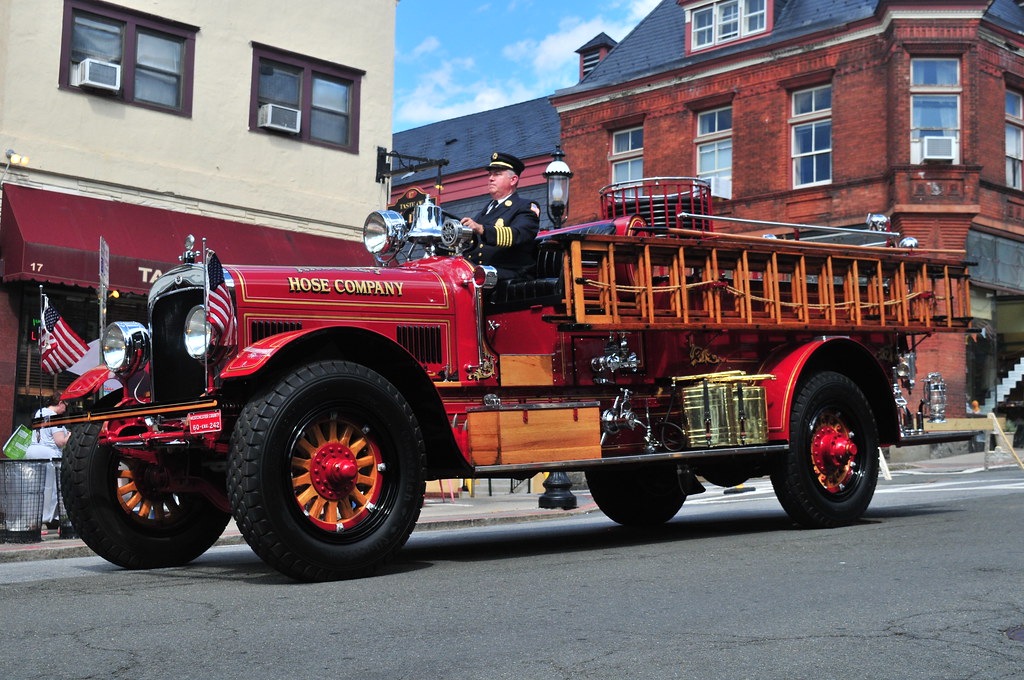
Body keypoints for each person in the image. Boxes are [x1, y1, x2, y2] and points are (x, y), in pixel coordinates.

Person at [460, 152, 541, 280]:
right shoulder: (486, 211)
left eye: (497, 174)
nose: (491, 178)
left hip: (512, 274)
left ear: (513, 180)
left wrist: (482, 229)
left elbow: (518, 235)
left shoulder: (526, 207)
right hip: (483, 271)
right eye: (490, 174)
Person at [24, 397, 69, 527]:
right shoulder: (55, 417)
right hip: (49, 454)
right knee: (51, 489)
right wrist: (71, 436)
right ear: (60, 403)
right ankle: (46, 519)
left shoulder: (40, 412)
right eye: (66, 405)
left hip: (32, 452)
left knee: (33, 489)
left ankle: (32, 519)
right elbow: (60, 442)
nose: (66, 409)